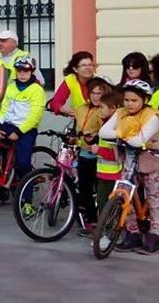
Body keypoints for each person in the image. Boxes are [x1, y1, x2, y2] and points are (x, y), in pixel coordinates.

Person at [99, 79, 159, 255]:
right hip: (129, 161)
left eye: (134, 100)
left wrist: (119, 135)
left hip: (151, 162)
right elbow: (103, 132)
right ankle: (132, 233)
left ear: (144, 100)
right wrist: (123, 134)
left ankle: (156, 234)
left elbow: (139, 140)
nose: (129, 104)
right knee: (124, 195)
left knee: (153, 196)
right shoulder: (120, 113)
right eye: (127, 99)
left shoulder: (153, 115)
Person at [0, 56, 45, 205]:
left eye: (26, 71)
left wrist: (19, 132)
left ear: (32, 71)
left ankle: (26, 201)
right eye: (19, 71)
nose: (22, 74)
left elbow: (35, 116)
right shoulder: (11, 86)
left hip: (25, 130)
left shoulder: (37, 90)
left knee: (23, 164)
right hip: (7, 125)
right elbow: (4, 109)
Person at [70, 76, 113, 236]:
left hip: (100, 156)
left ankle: (104, 221)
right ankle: (91, 220)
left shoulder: (106, 110)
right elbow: (76, 127)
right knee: (85, 188)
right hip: (83, 153)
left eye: (99, 93)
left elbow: (106, 130)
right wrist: (74, 137)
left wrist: (94, 136)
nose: (95, 96)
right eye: (93, 93)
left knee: (101, 191)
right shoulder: (81, 108)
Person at [95, 91, 123, 215]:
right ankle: (102, 229)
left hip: (114, 175)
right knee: (102, 204)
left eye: (102, 107)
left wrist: (99, 150)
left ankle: (108, 230)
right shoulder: (105, 124)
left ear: (113, 109)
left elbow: (118, 155)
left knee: (109, 206)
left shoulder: (115, 127)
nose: (99, 110)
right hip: (103, 173)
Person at [49, 51, 95, 116]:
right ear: (75, 69)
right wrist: (63, 109)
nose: (88, 68)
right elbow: (55, 103)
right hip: (79, 121)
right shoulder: (70, 80)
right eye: (83, 65)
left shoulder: (100, 81)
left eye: (90, 65)